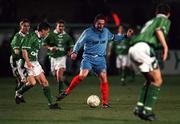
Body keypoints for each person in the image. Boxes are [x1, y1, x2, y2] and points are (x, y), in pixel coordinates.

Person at [56, 14, 133, 108]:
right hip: (88, 58)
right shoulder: (88, 32)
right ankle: (67, 92)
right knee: (82, 75)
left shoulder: (105, 31)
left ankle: (105, 103)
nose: (101, 26)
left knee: (104, 78)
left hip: (100, 59)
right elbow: (79, 43)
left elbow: (114, 37)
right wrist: (74, 52)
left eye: (102, 24)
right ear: (94, 23)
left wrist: (126, 36)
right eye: (99, 24)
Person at [128, 4, 171, 121]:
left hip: (133, 49)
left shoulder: (150, 21)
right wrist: (165, 47)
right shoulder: (163, 19)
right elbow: (158, 30)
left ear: (156, 12)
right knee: (158, 80)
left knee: (150, 80)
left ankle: (139, 108)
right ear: (168, 13)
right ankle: (147, 111)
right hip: (144, 49)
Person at [15, 22, 60, 109]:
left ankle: (51, 104)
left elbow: (43, 44)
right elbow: (24, 50)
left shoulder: (40, 38)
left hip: (35, 62)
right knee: (32, 83)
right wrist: (28, 62)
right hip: (26, 62)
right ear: (42, 30)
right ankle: (18, 93)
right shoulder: (30, 37)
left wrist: (51, 48)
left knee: (45, 82)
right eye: (47, 32)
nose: (47, 34)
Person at [43, 20, 74, 95]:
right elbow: (44, 43)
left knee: (59, 75)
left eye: (62, 26)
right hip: (53, 57)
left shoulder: (67, 36)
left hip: (62, 57)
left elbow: (71, 46)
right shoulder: (50, 34)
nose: (61, 27)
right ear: (56, 26)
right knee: (55, 75)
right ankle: (64, 80)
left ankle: (61, 92)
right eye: (59, 26)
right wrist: (50, 48)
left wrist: (70, 52)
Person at [10, 19, 30, 95]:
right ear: (20, 26)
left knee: (24, 81)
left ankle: (18, 94)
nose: (26, 27)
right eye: (24, 26)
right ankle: (18, 94)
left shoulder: (29, 36)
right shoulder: (17, 36)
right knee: (23, 81)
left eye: (28, 26)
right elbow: (17, 52)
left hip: (24, 60)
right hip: (16, 60)